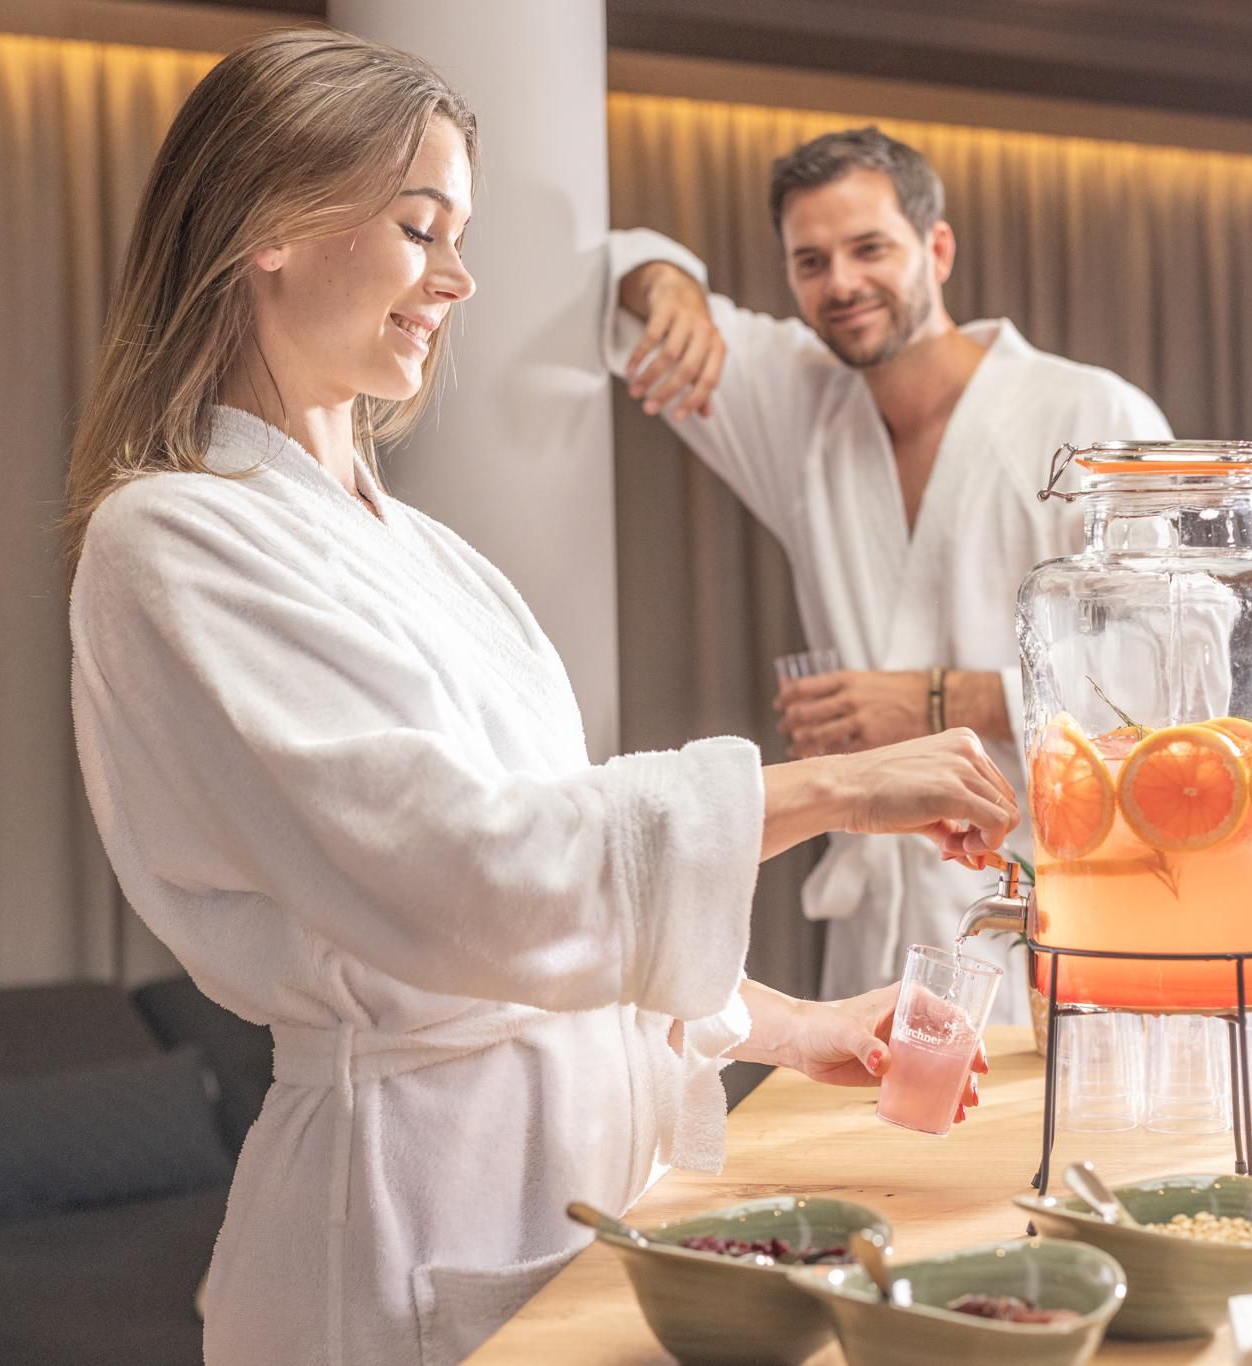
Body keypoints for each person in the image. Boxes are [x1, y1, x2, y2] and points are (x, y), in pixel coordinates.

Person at [62, 33, 1014, 1366]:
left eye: (461, 233)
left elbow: (566, 890)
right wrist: (841, 785)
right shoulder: (170, 541)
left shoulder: (430, 554)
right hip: (402, 1226)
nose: (456, 277)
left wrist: (800, 1029)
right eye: (419, 227)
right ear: (268, 225)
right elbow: (470, 873)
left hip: (583, 1198)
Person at [603, 127, 1172, 1012]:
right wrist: (675, 288)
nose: (841, 284)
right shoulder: (800, 406)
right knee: (870, 1145)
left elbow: (1176, 665)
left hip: (1048, 898)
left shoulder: (1089, 412)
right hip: (878, 931)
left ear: (936, 249)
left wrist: (938, 702)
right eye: (810, 261)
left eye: (869, 248)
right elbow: (611, 269)